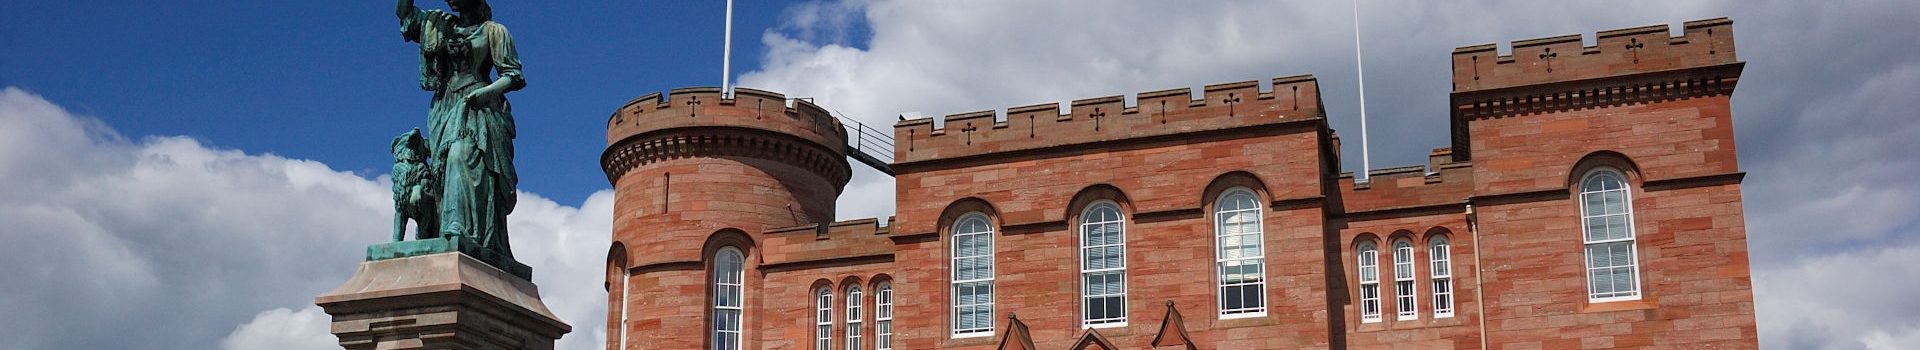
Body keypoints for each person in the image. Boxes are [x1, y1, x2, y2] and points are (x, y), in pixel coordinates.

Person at [396, 0, 522, 259]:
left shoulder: (493, 31)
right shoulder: (438, 24)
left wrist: (485, 94)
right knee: (439, 174)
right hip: (444, 108)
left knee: (460, 155)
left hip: (478, 109)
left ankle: (461, 231)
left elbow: (513, 76)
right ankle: (440, 231)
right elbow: (406, 15)